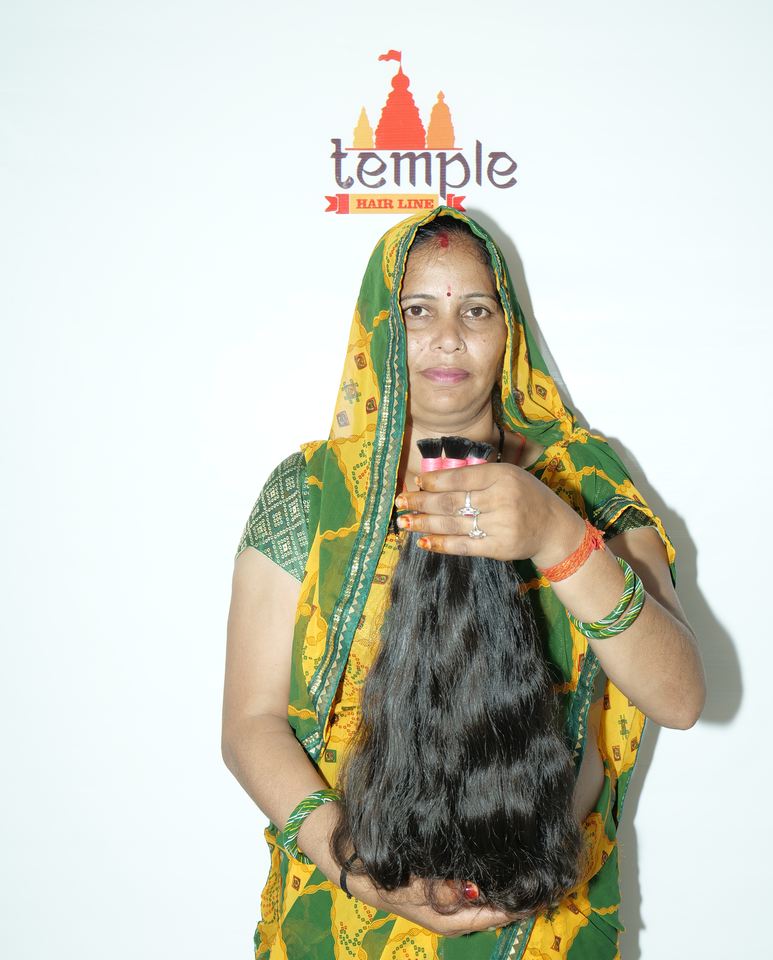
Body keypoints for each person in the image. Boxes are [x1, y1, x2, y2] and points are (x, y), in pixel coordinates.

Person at [223, 207, 705, 959]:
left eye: (475, 310)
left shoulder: (582, 480)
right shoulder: (313, 493)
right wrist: (360, 871)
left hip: (545, 920)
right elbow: (249, 724)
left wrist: (555, 535)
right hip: (343, 912)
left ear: (509, 329)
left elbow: (679, 697)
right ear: (381, 327)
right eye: (418, 311)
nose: (448, 337)